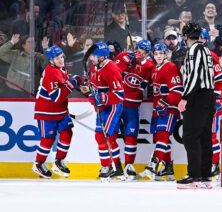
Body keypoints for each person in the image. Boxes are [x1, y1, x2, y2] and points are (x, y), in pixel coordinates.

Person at [32, 45, 82, 178]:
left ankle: (59, 161)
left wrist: (79, 85)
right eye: (57, 58)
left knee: (67, 133)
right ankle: (38, 164)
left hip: (61, 111)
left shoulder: (61, 69)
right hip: (47, 111)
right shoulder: (50, 72)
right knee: (48, 139)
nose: (61, 60)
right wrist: (71, 84)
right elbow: (57, 97)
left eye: (61, 57)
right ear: (51, 60)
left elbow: (64, 86)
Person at [177, 22, 215, 189]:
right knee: (205, 136)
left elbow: (194, 76)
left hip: (198, 96)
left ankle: (194, 176)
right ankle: (206, 175)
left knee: (190, 136)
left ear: (185, 36)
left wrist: (185, 97)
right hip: (209, 95)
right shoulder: (206, 49)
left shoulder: (193, 50)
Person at [83, 42, 125, 181]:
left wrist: (102, 98)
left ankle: (106, 167)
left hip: (113, 106)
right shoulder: (95, 67)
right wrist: (89, 92)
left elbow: (119, 94)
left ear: (102, 57)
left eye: (94, 56)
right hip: (102, 107)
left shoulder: (112, 69)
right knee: (105, 138)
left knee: (103, 137)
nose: (91, 58)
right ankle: (117, 167)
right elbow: (94, 87)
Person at [113, 40, 155, 180]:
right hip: (118, 103)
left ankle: (129, 165)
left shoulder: (149, 66)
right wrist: (126, 61)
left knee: (131, 136)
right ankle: (113, 165)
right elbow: (113, 72)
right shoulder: (124, 56)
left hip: (133, 106)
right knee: (111, 135)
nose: (142, 54)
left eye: (145, 52)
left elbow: (144, 86)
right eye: (140, 50)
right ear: (136, 48)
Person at [141, 43, 183, 181]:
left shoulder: (170, 67)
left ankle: (153, 165)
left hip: (169, 108)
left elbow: (177, 90)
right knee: (157, 137)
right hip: (158, 108)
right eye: (156, 54)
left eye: (161, 53)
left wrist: (165, 102)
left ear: (166, 54)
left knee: (163, 135)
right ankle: (168, 167)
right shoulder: (154, 69)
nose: (158, 56)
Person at [200, 28, 222, 179]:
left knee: (211, 134)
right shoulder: (191, 57)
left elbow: (221, 80)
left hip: (211, 100)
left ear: (204, 40)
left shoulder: (210, 56)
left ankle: (214, 165)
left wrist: (216, 98)